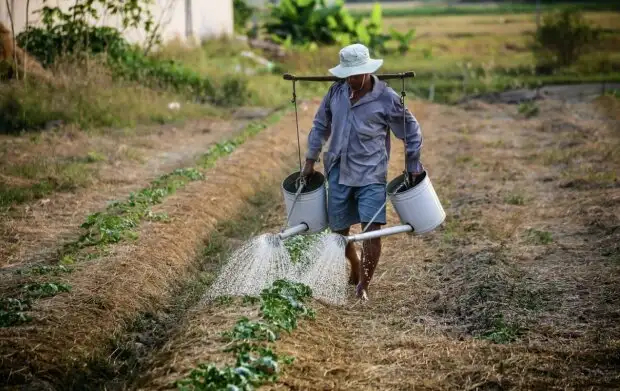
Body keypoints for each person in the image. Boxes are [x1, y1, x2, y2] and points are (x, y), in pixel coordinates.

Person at [301, 43, 425, 301]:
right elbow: (320, 125)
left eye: (356, 75)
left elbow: (411, 131)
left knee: (373, 230)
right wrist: (309, 160)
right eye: (347, 75)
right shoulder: (336, 92)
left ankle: (363, 286)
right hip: (338, 170)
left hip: (371, 173)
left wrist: (413, 164)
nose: (351, 80)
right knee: (339, 232)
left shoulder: (387, 98)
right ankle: (355, 265)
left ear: (368, 71)